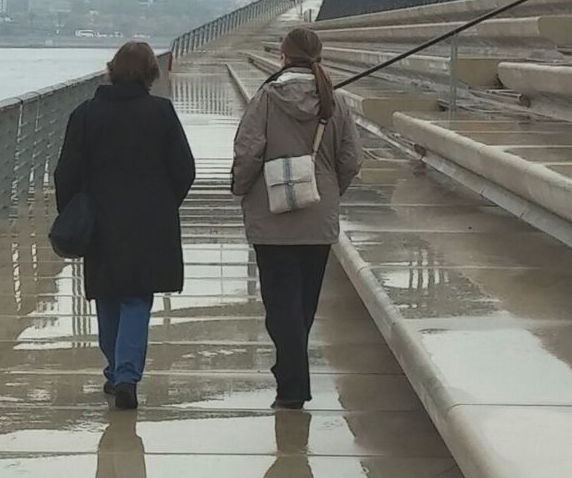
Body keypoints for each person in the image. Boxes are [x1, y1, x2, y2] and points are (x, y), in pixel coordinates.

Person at [54, 41, 196, 410]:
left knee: (107, 295)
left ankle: (116, 368)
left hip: (100, 222)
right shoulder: (161, 113)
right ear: (151, 73)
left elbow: (65, 172)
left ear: (112, 69)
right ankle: (126, 376)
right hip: (148, 222)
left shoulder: (86, 114)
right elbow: (184, 169)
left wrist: (72, 213)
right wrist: (165, 204)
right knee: (136, 297)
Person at [231, 25, 363, 409]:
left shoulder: (267, 99)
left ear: (283, 57)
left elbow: (248, 151)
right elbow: (351, 159)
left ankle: (291, 385)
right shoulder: (334, 102)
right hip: (317, 218)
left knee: (280, 305)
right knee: (303, 304)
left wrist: (241, 187)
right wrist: (329, 190)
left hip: (271, 218)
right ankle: (291, 372)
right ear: (319, 57)